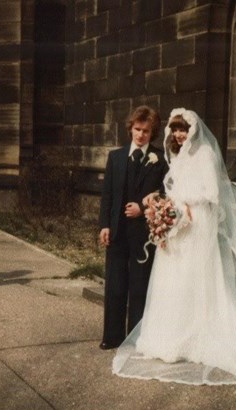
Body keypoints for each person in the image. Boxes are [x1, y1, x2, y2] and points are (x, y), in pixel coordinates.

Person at [112, 108, 236, 384]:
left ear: (194, 130)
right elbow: (174, 188)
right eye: (175, 130)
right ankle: (170, 336)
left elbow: (212, 193)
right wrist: (165, 206)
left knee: (195, 278)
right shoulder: (178, 156)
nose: (179, 135)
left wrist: (183, 205)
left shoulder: (206, 154)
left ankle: (198, 334)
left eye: (183, 129)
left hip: (198, 224)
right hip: (179, 223)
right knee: (174, 279)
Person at [99, 105, 168, 350]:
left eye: (146, 131)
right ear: (131, 129)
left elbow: (164, 194)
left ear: (153, 133)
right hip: (117, 230)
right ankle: (112, 336)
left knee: (139, 285)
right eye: (137, 130)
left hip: (143, 233)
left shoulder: (159, 160)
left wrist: (142, 207)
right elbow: (107, 195)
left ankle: (136, 338)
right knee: (115, 284)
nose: (141, 135)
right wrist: (104, 225)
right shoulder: (116, 157)